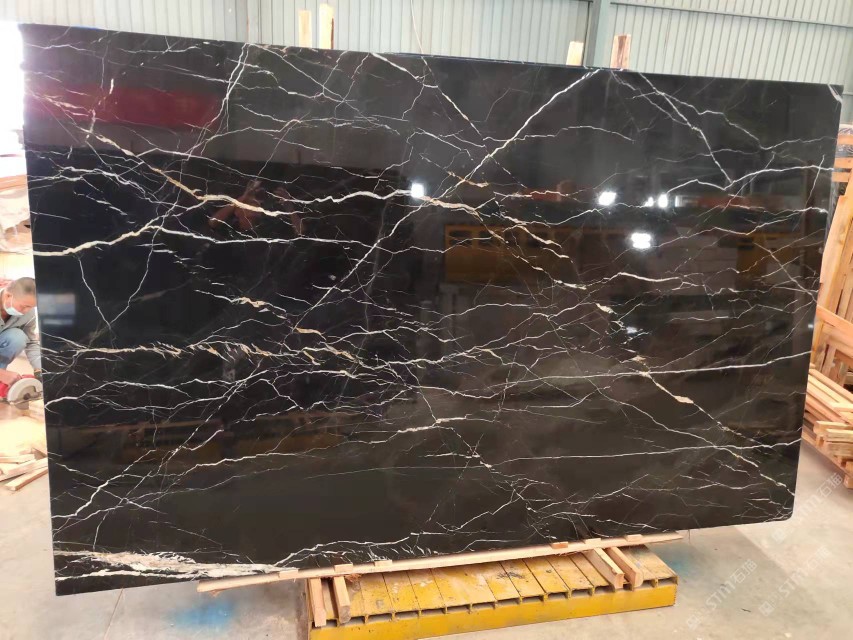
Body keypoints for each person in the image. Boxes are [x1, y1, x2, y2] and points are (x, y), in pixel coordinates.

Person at [0, 277, 41, 386]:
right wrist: (1, 374)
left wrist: (41, 369)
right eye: (24, 306)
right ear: (8, 296)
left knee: (17, 337)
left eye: (31, 307)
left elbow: (31, 342)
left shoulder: (29, 313)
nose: (26, 311)